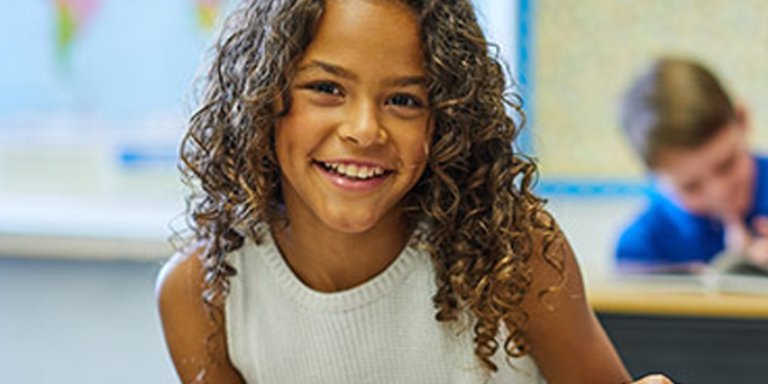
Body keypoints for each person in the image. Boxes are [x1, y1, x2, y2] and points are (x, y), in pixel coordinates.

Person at [157, 0, 671, 383]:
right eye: (327, 89)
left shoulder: (512, 250)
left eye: (404, 100)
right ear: (260, 98)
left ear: (447, 120)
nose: (364, 130)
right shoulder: (200, 292)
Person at [616, 57, 768, 274]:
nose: (720, 192)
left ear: (743, 121)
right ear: (655, 176)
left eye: (727, 165)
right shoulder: (640, 249)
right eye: (691, 186)